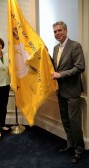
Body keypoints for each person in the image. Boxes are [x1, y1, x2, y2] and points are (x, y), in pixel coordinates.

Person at [52, 21, 85, 164]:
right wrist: (45, 54)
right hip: (60, 92)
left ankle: (79, 150)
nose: (57, 33)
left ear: (66, 30)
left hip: (72, 91)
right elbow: (55, 66)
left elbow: (80, 67)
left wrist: (61, 75)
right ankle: (70, 144)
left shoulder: (75, 46)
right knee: (65, 120)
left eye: (59, 30)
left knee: (74, 122)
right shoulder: (55, 48)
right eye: (55, 32)